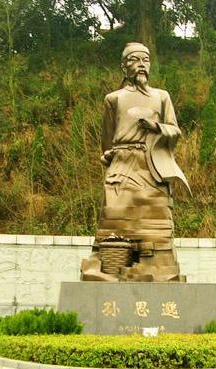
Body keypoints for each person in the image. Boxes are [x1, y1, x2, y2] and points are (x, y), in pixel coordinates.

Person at [80, 42, 190, 282]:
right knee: (114, 211)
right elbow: (106, 138)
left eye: (145, 60)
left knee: (156, 214)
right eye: (134, 60)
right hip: (122, 163)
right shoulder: (113, 99)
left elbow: (175, 130)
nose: (141, 64)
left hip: (151, 164)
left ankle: (158, 267)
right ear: (124, 66)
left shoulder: (162, 97)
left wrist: (156, 127)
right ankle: (111, 265)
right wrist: (107, 155)